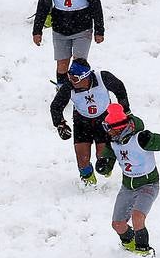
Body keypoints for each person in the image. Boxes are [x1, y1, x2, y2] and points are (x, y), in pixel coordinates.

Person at [101, 103, 160, 257]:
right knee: (118, 225)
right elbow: (110, 156)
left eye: (109, 128)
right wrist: (104, 165)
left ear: (120, 127)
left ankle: (143, 251)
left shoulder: (142, 139)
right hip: (127, 186)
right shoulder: (113, 141)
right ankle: (130, 244)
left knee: (137, 217)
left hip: (148, 184)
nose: (107, 132)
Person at [32, 0, 105, 85]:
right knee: (62, 65)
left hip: (82, 28)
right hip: (60, 29)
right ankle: (62, 91)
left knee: (78, 65)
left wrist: (99, 30)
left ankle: (79, 92)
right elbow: (43, 6)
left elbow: (96, 5)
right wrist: (37, 30)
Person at [49, 58, 129, 186]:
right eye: (69, 77)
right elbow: (56, 106)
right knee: (82, 160)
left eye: (75, 78)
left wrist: (125, 111)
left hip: (104, 120)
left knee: (102, 158)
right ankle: (89, 186)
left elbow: (120, 89)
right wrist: (60, 124)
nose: (71, 81)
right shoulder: (69, 86)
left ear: (85, 76)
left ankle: (107, 167)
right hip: (82, 121)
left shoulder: (103, 77)